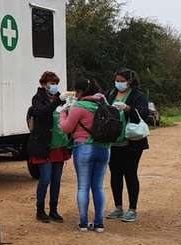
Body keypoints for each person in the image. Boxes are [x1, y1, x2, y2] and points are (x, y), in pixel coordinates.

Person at [60, 78, 111, 232]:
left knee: (83, 187)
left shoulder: (79, 106)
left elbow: (67, 128)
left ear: (80, 91)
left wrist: (62, 113)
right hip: (103, 148)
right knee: (98, 187)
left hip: (83, 148)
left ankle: (83, 222)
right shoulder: (103, 104)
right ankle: (99, 223)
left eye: (76, 91)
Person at [105, 69, 151, 223]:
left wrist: (128, 109)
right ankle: (118, 207)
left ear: (129, 81)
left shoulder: (138, 95)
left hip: (132, 142)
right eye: (116, 80)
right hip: (114, 142)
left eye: (121, 80)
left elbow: (143, 114)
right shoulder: (111, 94)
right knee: (115, 175)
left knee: (130, 174)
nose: (118, 83)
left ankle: (132, 209)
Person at [26, 71, 71, 223]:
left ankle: (53, 209)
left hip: (59, 145)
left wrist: (68, 104)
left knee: (56, 180)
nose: (53, 86)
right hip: (44, 145)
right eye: (51, 83)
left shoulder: (61, 99)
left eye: (55, 83)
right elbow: (41, 113)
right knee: (45, 178)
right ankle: (40, 210)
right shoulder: (38, 98)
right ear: (44, 84)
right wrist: (57, 101)